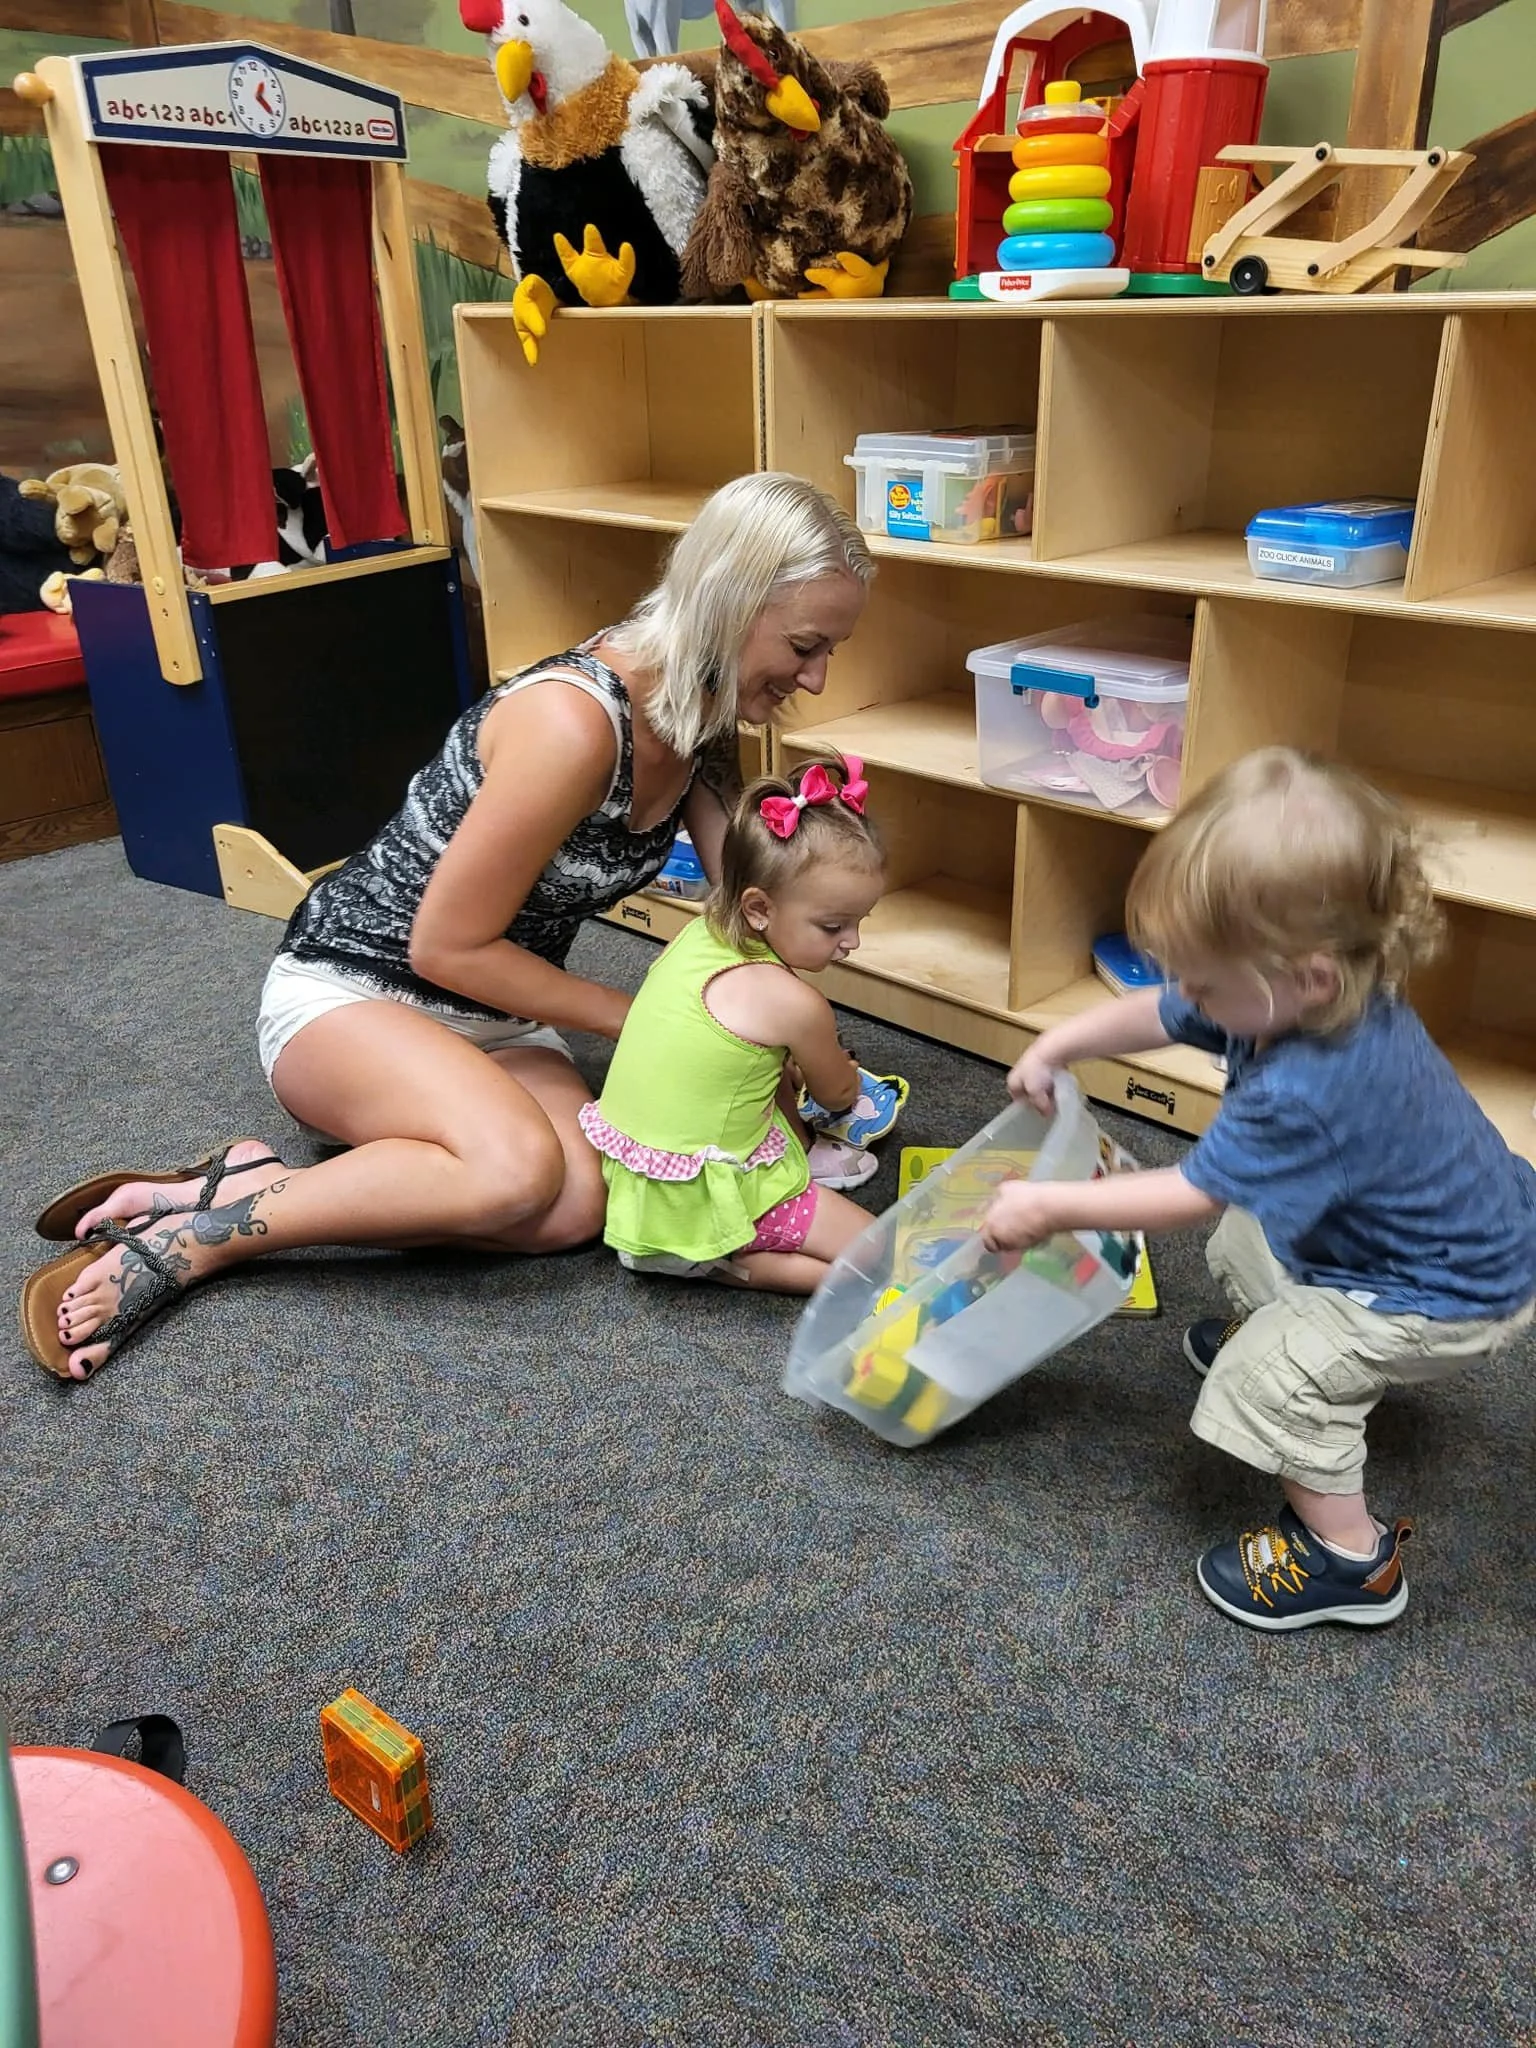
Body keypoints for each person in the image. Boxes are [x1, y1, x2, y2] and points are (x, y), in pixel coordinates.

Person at [27, 474, 875, 1380]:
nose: (816, 677)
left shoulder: (702, 711)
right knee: (512, 1175)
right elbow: (444, 946)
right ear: (732, 604)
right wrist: (645, 1021)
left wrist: (785, 1041)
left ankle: (248, 1175)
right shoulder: (574, 723)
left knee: (577, 1207)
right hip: (355, 986)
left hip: (496, 1013)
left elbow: (742, 902)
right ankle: (212, 1237)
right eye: (806, 645)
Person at [982, 748, 1536, 1633]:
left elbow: (1185, 1194)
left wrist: (1044, 1208)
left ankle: (1352, 1561)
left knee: (1264, 1382)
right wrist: (1060, 1043)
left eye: (1203, 978)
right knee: (1250, 1234)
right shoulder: (1299, 988)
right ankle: (1312, 1346)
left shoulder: (1307, 1088)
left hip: (1445, 1293)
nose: (1187, 991)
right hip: (1430, 1234)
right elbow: (1165, 1011)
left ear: (1308, 975)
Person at [581, 755, 883, 1294]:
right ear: (760, 907)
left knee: (769, 1071)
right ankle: (720, 1255)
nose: (853, 942)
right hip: (699, 1200)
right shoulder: (796, 1003)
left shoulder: (699, 935)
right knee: (877, 1252)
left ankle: (688, 1249)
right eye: (834, 925)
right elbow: (837, 1094)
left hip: (633, 1182)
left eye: (860, 921)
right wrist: (847, 1079)